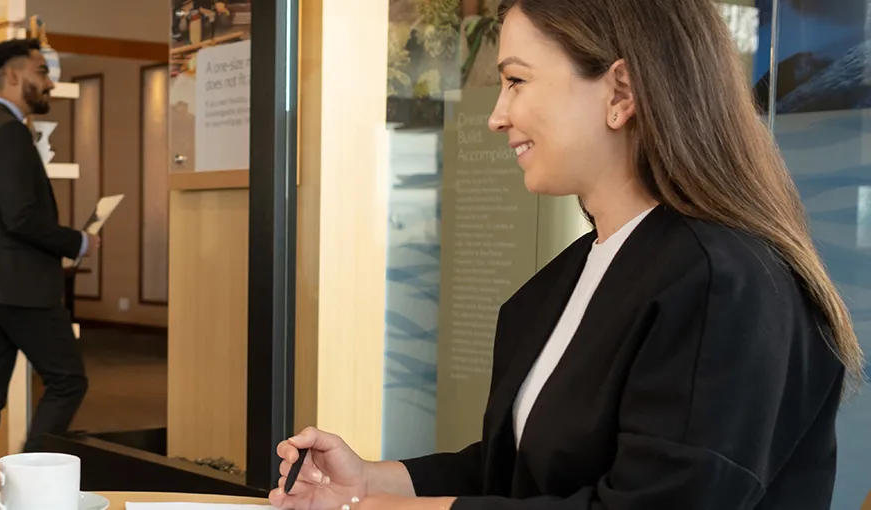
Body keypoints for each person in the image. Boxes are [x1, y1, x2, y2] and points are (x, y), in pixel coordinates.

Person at [271, 0, 864, 509]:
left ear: (621, 91)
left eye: (516, 81)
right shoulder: (573, 276)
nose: (498, 116)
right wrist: (371, 481)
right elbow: (526, 473)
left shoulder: (722, 281)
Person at [0, 38, 99, 459]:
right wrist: (79, 241)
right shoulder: (9, 132)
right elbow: (20, 217)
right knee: (68, 379)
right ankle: (34, 468)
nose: (49, 82)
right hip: (21, 287)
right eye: (41, 71)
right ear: (14, 76)